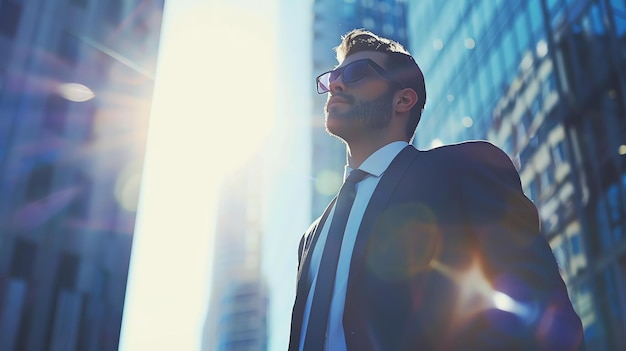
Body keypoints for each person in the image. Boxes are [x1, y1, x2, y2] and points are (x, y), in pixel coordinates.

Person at [288, 29, 585, 351]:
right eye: (333, 76)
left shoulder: (461, 168)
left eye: (356, 73)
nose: (335, 84)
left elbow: (540, 313)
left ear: (402, 99)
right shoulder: (311, 237)